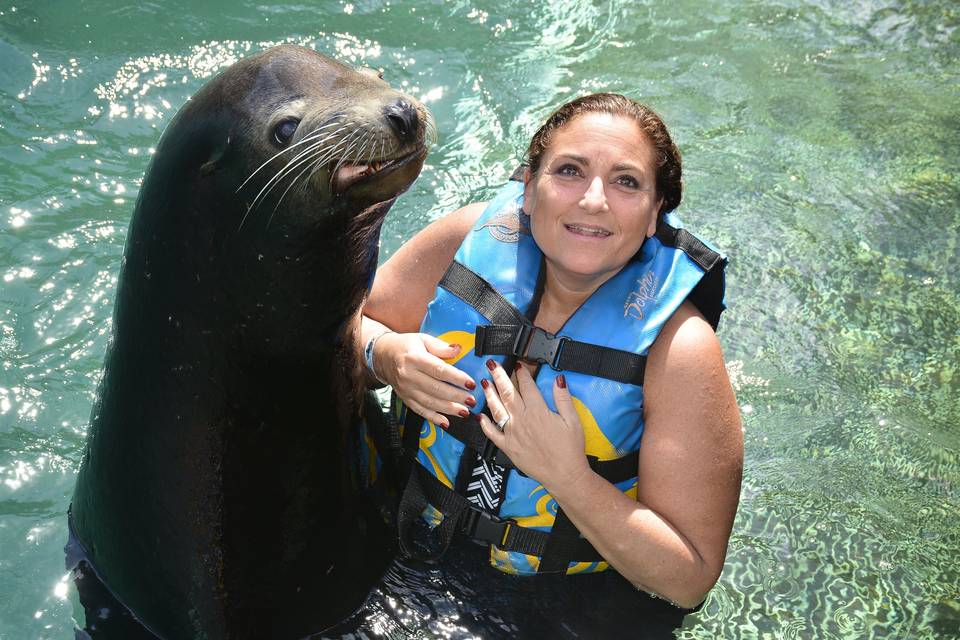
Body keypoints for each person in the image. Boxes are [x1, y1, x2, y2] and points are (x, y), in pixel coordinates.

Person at [358, 93, 742, 615]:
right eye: (569, 171)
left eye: (626, 181)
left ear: (655, 214)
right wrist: (383, 354)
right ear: (530, 189)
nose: (593, 200)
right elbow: (347, 325)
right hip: (401, 526)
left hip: (562, 604)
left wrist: (568, 478)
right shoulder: (466, 241)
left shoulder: (680, 351)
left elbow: (689, 578)